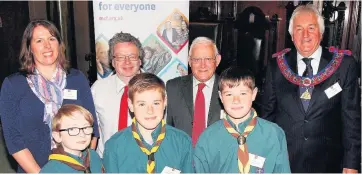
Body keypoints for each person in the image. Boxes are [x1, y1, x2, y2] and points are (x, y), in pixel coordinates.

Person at [261, 4, 361, 173]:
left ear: (321, 33)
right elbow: (267, 118)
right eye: (299, 29)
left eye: (311, 28)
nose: (305, 35)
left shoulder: (344, 66)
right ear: (292, 36)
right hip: (284, 162)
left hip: (328, 163)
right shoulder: (276, 66)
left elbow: (352, 120)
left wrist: (351, 164)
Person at [0, 19, 99, 173]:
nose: (47, 45)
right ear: (30, 48)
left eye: (52, 39)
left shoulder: (77, 79)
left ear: (59, 44)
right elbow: (14, 140)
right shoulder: (13, 85)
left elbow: (93, 128)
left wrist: (82, 165)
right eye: (39, 40)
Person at [194, 66, 290, 173]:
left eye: (243, 93)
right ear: (221, 97)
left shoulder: (274, 134)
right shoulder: (207, 138)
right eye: (229, 94)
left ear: (253, 94)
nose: (236, 100)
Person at [103, 73, 193, 173]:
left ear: (165, 102)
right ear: (131, 105)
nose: (150, 111)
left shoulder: (183, 142)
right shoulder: (114, 146)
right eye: (142, 104)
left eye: (156, 103)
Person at [91, 32, 143, 157]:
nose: (127, 62)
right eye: (120, 57)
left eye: (132, 56)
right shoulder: (98, 89)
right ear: (112, 62)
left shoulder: (155, 88)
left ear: (140, 60)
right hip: (108, 163)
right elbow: (92, 132)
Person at [166, 36, 223, 146]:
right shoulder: (173, 87)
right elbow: (167, 129)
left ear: (217, 60)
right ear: (189, 61)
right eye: (197, 59)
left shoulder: (228, 88)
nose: (202, 65)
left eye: (208, 59)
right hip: (181, 156)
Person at [40, 104, 103, 173]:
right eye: (72, 129)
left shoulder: (93, 157)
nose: (82, 134)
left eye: (86, 127)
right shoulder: (51, 170)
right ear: (57, 136)